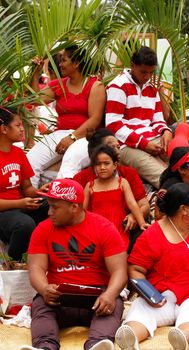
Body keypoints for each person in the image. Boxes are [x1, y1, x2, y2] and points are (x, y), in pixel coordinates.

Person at [114, 183, 189, 350]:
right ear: (184, 209)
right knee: (141, 308)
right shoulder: (151, 235)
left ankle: (182, 336)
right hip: (163, 297)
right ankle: (130, 336)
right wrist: (152, 297)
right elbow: (135, 270)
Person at [20, 178, 127, 350]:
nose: (49, 212)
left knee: (113, 304)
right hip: (58, 298)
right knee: (41, 305)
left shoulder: (104, 227)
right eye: (49, 206)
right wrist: (44, 289)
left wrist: (110, 294)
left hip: (97, 297)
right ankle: (45, 347)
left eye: (55, 207)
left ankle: (97, 345)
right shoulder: (42, 229)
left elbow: (120, 271)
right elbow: (36, 268)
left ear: (74, 207)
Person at [27, 44, 106, 187]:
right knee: (30, 161)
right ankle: (32, 202)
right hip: (61, 134)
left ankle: (63, 202)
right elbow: (35, 100)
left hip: (86, 136)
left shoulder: (95, 86)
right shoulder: (58, 84)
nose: (60, 64)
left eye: (63, 60)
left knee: (70, 162)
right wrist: (36, 72)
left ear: (76, 63)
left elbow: (95, 119)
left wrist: (72, 137)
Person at [105, 46, 173, 189]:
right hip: (124, 145)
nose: (147, 76)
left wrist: (165, 131)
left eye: (151, 72)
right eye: (143, 72)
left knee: (185, 160)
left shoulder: (151, 87)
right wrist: (143, 144)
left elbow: (158, 119)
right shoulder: (118, 86)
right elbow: (113, 125)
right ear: (132, 65)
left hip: (151, 139)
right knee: (163, 176)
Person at [73, 128, 150, 233]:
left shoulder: (128, 175)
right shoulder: (81, 179)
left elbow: (143, 205)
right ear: (95, 153)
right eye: (111, 147)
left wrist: (134, 216)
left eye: (118, 146)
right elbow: (81, 210)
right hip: (95, 229)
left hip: (124, 226)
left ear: (114, 165)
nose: (117, 150)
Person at [0, 107, 48, 261]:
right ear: (4, 129)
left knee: (54, 205)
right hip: (4, 212)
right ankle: (14, 262)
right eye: (18, 125)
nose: (22, 129)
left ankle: (45, 256)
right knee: (25, 224)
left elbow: (27, 188)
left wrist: (41, 192)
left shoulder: (19, 153)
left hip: (20, 206)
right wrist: (20, 203)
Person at [83, 145, 149, 248]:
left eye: (106, 163)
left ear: (115, 165)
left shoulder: (122, 182)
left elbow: (132, 204)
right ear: (94, 167)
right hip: (97, 230)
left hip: (118, 229)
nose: (102, 167)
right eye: (98, 164)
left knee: (120, 252)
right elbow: (83, 210)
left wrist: (141, 223)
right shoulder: (89, 186)